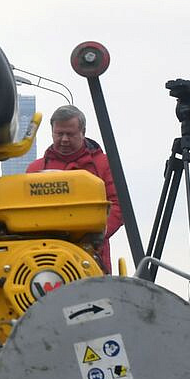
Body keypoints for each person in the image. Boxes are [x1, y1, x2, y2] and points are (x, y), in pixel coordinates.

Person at [26, 105, 124, 270]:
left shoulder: (105, 165)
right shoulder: (34, 170)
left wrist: (96, 234)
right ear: (52, 132)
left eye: (69, 134)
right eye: (59, 134)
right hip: (45, 259)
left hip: (92, 257)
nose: (64, 139)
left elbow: (118, 205)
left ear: (83, 132)